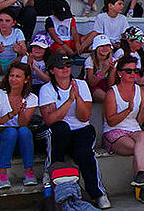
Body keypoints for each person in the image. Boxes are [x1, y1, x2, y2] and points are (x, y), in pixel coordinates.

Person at [39, 54, 110, 209]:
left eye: (68, 65)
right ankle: (50, 172)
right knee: (60, 128)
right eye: (60, 66)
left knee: (85, 153)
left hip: (80, 129)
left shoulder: (81, 85)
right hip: (60, 132)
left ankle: (98, 194)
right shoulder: (47, 89)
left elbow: (84, 117)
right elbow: (50, 120)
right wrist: (70, 100)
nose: (65, 69)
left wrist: (77, 97)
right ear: (51, 70)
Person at [102, 55, 144, 204]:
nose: (133, 74)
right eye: (128, 71)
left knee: (143, 137)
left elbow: (140, 121)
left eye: (135, 71)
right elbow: (111, 121)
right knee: (140, 149)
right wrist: (129, 109)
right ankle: (143, 188)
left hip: (133, 129)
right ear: (119, 73)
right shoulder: (112, 93)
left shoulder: (141, 91)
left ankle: (140, 177)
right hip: (113, 131)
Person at [0, 62, 38, 189]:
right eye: (11, 75)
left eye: (18, 76)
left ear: (26, 80)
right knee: (10, 132)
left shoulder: (31, 98)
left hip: (18, 142)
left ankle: (29, 173)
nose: (13, 79)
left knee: (24, 131)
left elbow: (23, 124)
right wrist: (11, 114)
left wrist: (20, 112)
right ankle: (2, 175)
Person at [0, 9, 27, 98]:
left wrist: (19, 51)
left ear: (13, 23)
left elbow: (24, 51)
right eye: (1, 20)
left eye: (7, 21)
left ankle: (21, 89)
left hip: (12, 64)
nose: (3, 23)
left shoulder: (17, 32)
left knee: (23, 58)